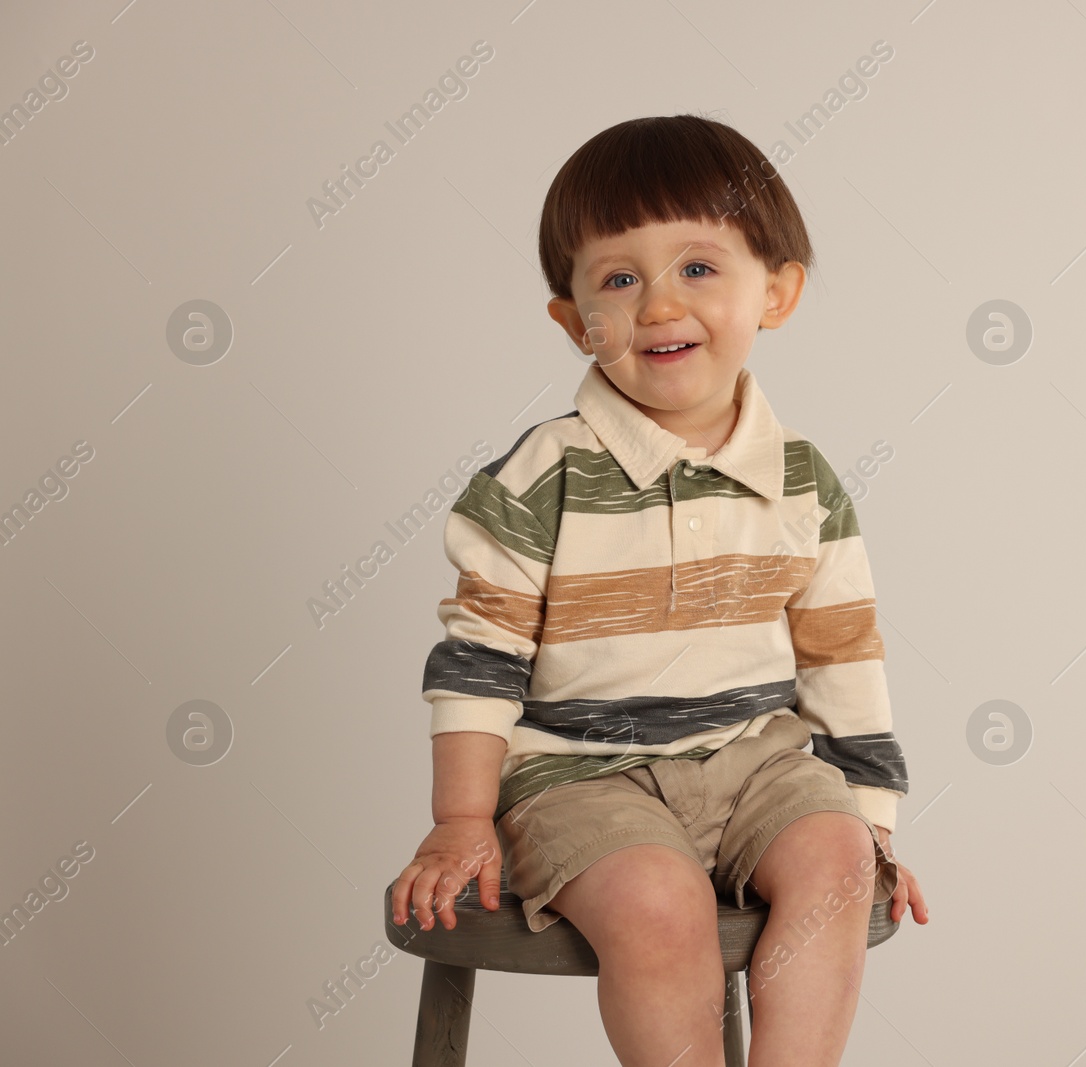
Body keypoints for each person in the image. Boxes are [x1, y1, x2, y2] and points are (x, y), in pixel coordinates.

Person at [391, 112, 929, 1066]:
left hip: (756, 761)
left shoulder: (803, 482)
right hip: (578, 776)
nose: (658, 304)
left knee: (837, 860)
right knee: (658, 899)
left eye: (698, 267)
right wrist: (461, 820)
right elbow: (477, 661)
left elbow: (843, 655)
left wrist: (875, 826)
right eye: (619, 278)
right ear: (573, 321)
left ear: (777, 290)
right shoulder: (541, 476)